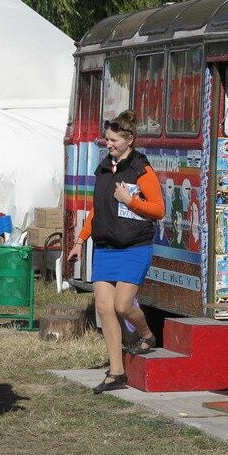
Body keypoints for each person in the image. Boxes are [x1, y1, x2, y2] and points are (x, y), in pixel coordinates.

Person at [67, 110, 165, 394]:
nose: (107, 144)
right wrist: (80, 241)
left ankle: (146, 335)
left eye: (112, 140)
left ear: (129, 140)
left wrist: (130, 200)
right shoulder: (104, 168)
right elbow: (98, 208)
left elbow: (158, 210)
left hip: (134, 247)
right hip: (106, 249)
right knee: (103, 308)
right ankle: (116, 372)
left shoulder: (142, 170)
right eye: (106, 139)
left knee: (123, 306)